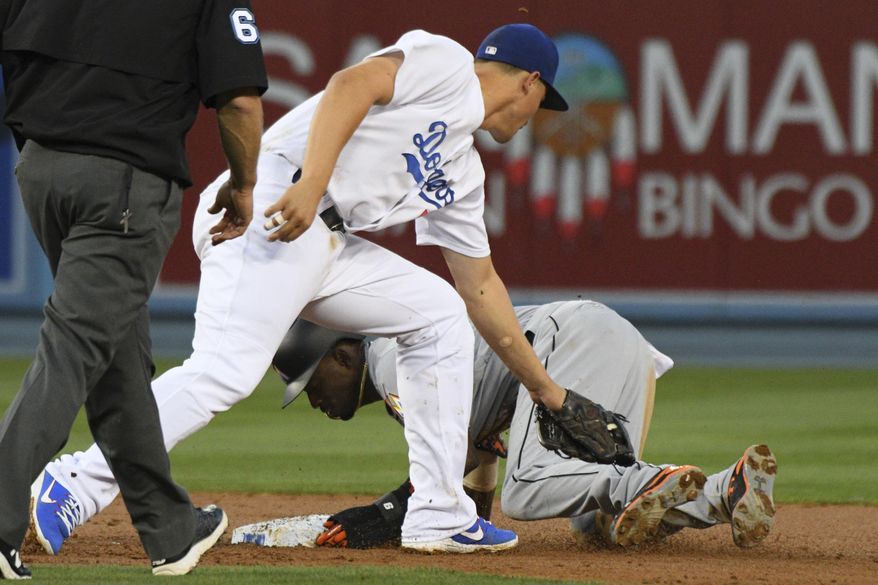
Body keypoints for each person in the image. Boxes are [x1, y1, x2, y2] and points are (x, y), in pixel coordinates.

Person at [30, 23, 573, 556]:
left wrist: (552, 396)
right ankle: (73, 483)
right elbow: (350, 85)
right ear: (530, 81)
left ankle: (439, 513)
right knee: (225, 369)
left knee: (440, 315)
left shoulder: (463, 169)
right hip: (275, 199)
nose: (535, 120)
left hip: (324, 241)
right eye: (543, 103)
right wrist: (312, 183)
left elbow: (481, 287)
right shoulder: (447, 64)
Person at [0, 0, 266, 578]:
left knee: (116, 354)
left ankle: (168, 530)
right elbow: (240, 99)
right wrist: (245, 185)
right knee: (73, 347)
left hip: (41, 171)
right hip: (121, 186)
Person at [275, 300, 777, 550]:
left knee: (528, 491)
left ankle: (651, 477)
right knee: (597, 522)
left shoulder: (390, 362)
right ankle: (725, 491)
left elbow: (436, 477)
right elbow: (471, 457)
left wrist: (373, 517)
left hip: (569, 346)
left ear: (342, 356)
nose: (311, 399)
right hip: (611, 344)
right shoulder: (399, 357)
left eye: (309, 382)